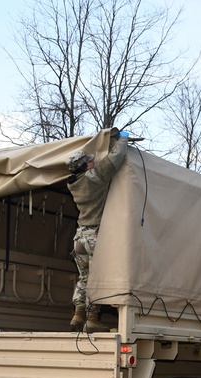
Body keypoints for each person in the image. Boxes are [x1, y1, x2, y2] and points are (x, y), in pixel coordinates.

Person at [65, 129, 128, 332]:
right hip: (94, 237)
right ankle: (92, 318)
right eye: (89, 161)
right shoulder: (96, 177)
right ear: (85, 166)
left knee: (84, 278)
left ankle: (77, 315)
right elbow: (116, 158)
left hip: (79, 237)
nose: (93, 162)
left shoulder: (72, 184)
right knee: (97, 278)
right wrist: (123, 138)